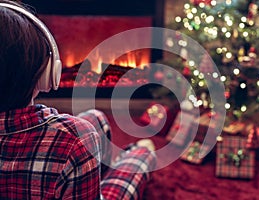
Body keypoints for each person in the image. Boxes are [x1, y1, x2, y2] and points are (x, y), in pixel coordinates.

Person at [0, 0, 156, 199]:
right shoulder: (74, 138)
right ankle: (141, 152)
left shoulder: (75, 136)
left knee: (96, 117)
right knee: (140, 156)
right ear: (48, 74)